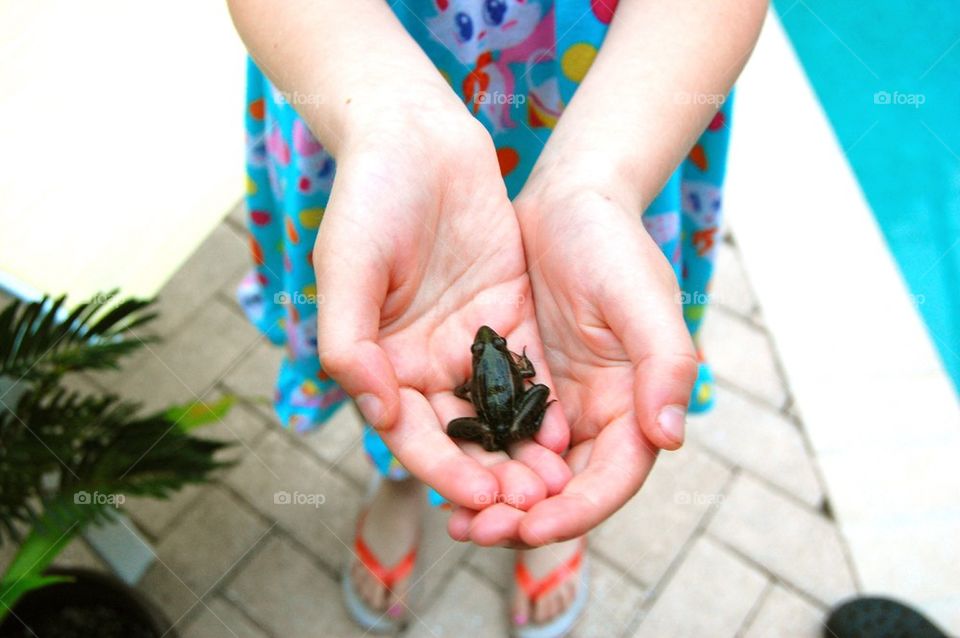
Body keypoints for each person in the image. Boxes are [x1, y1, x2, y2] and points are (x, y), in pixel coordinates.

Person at [227, 0, 767, 634]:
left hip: (613, 102)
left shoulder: (480, 372)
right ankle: (399, 477)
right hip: (350, 79)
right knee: (389, 326)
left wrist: (596, 182)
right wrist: (391, 124)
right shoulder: (504, 365)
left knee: (409, 355)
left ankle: (546, 490)